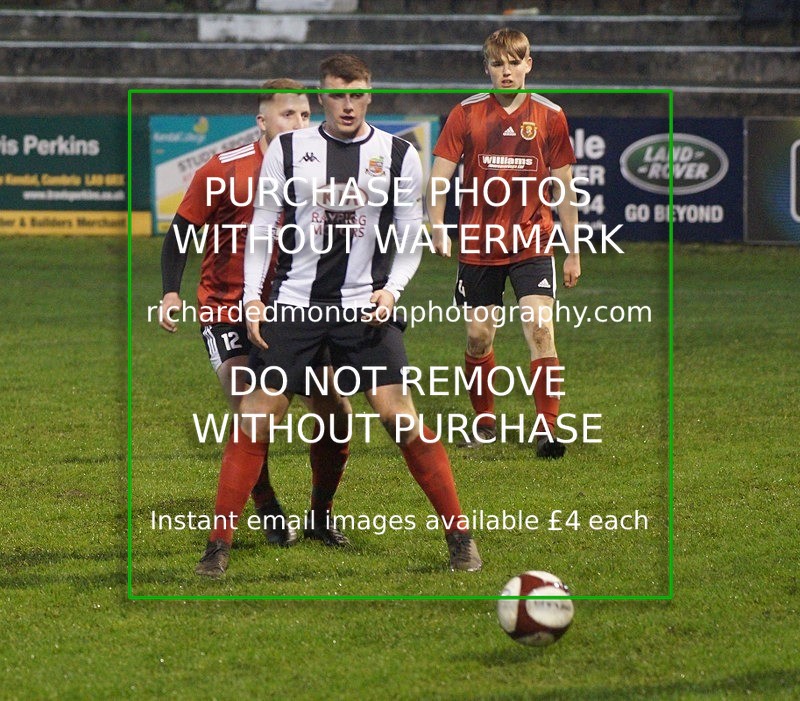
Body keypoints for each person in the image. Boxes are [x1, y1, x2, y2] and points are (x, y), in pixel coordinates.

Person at [195, 53, 482, 577]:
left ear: (369, 95)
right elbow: (263, 224)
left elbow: (410, 233)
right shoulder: (288, 148)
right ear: (322, 97)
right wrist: (254, 298)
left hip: (363, 307)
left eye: (357, 93)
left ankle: (460, 538)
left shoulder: (398, 154)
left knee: (399, 416)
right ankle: (218, 547)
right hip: (294, 306)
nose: (347, 104)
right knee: (256, 417)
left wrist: (392, 290)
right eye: (336, 93)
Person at [158, 79, 352, 568]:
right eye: (289, 115)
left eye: (306, 115)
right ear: (262, 121)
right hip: (227, 309)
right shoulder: (223, 170)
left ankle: (321, 515)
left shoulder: (322, 169)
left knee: (335, 410)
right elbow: (181, 230)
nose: (301, 124)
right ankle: (266, 509)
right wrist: (169, 291)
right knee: (250, 407)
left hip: (296, 309)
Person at [425, 28, 581, 458]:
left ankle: (548, 428)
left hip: (533, 242)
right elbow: (439, 177)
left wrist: (573, 251)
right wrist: (438, 225)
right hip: (478, 244)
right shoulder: (466, 113)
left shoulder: (550, 115)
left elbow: (564, 188)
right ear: (488, 68)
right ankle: (485, 422)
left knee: (540, 328)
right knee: (479, 336)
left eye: (514, 62)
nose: (506, 71)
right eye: (498, 64)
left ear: (528, 64)